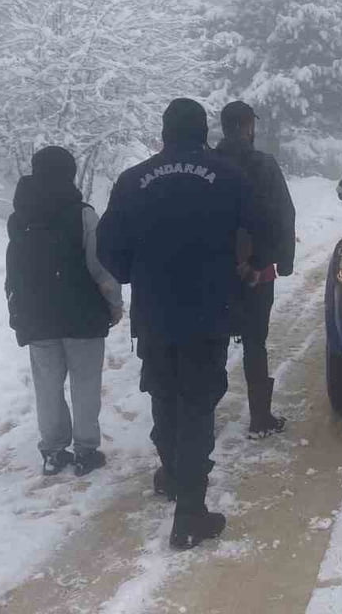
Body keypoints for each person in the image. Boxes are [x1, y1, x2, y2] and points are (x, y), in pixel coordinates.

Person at [97, 98, 267, 549]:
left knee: (164, 392)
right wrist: (250, 267)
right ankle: (190, 510)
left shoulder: (133, 181)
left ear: (164, 133)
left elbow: (108, 246)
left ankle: (172, 473)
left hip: (154, 311)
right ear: (204, 132)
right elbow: (262, 231)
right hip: (208, 310)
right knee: (196, 404)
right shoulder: (230, 177)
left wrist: (137, 272)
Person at [5, 146, 123, 477]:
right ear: (70, 174)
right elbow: (100, 267)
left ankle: (54, 451)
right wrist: (114, 304)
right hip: (82, 314)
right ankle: (86, 451)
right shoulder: (83, 214)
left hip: (37, 316)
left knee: (47, 386)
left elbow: (13, 269)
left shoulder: (19, 218)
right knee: (85, 383)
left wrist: (15, 308)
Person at [215, 100, 297, 439]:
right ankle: (260, 417)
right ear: (248, 126)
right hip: (258, 271)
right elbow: (284, 213)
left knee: (214, 341)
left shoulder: (210, 164)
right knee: (255, 342)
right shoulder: (263, 165)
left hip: (216, 271)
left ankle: (203, 412)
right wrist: (284, 260)